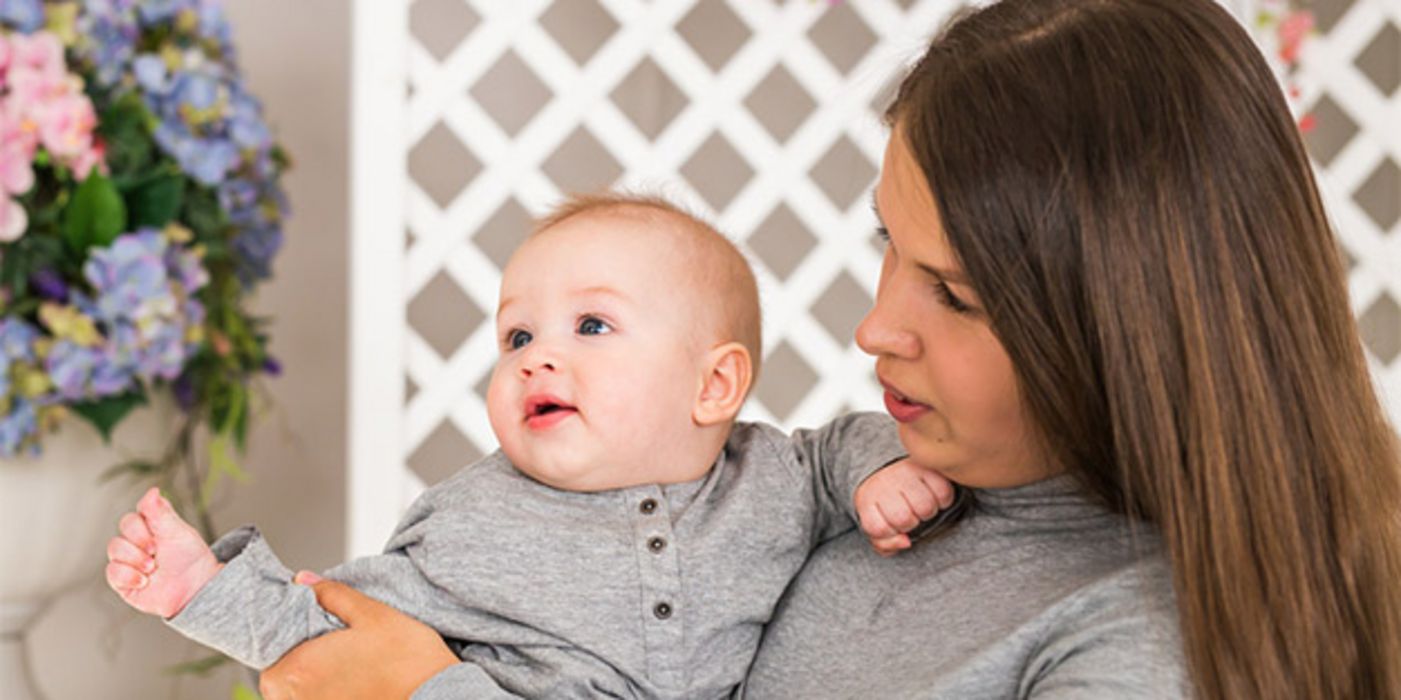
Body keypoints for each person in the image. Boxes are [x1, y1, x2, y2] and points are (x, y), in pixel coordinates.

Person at [246, 1, 1401, 698]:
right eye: (885, 246)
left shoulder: (1145, 643)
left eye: (950, 291)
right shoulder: (847, 505)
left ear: (1123, 321)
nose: (874, 327)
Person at [104, 193, 956, 698]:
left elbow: (845, 442)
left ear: (713, 387)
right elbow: (332, 625)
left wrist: (879, 472)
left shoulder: (779, 474)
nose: (537, 356)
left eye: (591, 325)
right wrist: (204, 592)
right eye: (516, 337)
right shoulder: (469, 521)